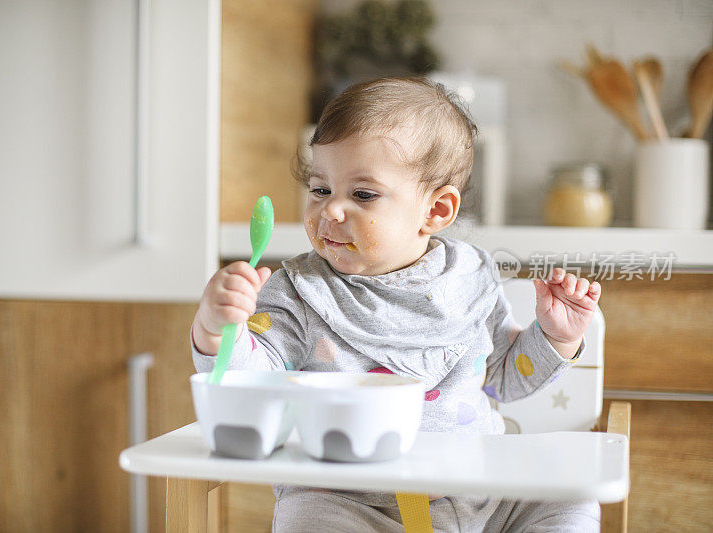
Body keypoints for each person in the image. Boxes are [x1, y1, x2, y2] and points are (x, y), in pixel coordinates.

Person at [191, 77, 602, 532]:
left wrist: (556, 338)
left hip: (481, 497)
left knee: (571, 503)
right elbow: (257, 383)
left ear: (436, 211)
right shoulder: (298, 291)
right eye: (320, 189)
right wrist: (217, 329)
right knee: (305, 516)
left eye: (362, 194)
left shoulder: (469, 278)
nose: (331, 211)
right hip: (353, 501)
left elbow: (502, 380)